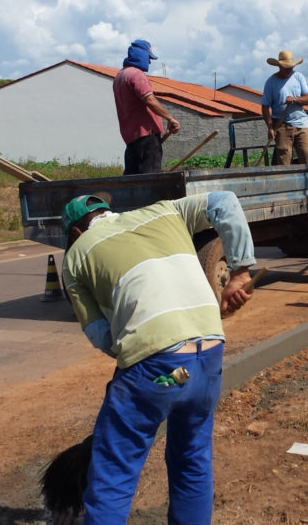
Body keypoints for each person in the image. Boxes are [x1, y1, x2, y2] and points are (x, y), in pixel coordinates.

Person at [60, 191, 256, 524]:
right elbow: (225, 202)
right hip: (208, 354)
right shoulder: (166, 211)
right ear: (109, 212)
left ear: (76, 233)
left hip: (156, 367)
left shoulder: (76, 256)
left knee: (113, 476)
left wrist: (143, 367)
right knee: (192, 459)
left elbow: (101, 335)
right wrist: (239, 272)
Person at [113, 39, 180, 175]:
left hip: (131, 140)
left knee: (132, 179)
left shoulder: (119, 76)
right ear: (141, 55)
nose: (149, 62)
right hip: (147, 137)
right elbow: (149, 99)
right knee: (150, 178)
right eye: (149, 58)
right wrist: (170, 118)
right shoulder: (137, 75)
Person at [261, 50, 308, 166]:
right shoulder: (271, 82)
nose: (288, 70)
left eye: (290, 67)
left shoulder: (298, 77)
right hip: (282, 125)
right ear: (279, 66)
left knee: (307, 154)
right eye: (286, 67)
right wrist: (270, 127)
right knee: (284, 158)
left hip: (301, 124)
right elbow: (265, 107)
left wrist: (295, 99)